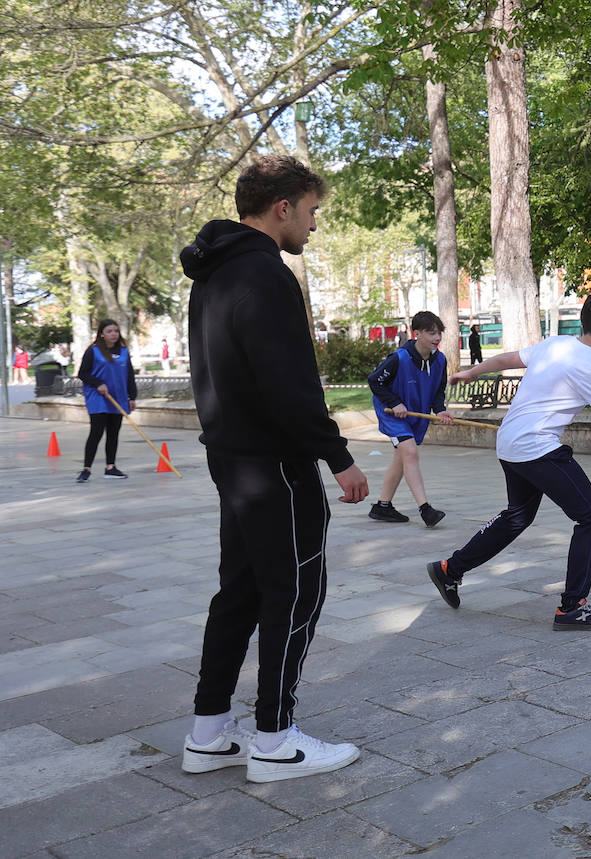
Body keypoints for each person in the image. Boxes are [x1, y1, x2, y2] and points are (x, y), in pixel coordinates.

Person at [179, 155, 369, 783]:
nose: (314, 226)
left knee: (241, 589)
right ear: (282, 208)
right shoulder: (265, 273)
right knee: (294, 592)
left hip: (230, 460)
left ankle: (209, 733)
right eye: (312, 212)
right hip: (275, 465)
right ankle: (275, 740)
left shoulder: (210, 275)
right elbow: (289, 384)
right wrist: (338, 457)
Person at [426, 290, 591, 630]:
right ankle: (572, 608)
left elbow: (508, 359)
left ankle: (451, 569)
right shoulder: (587, 367)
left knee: (517, 517)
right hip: (536, 446)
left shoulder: (557, 344)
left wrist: (473, 372)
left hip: (510, 442)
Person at [367, 310, 453, 527]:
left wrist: (440, 410)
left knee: (403, 457)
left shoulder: (440, 360)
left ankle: (382, 506)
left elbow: (438, 390)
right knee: (411, 452)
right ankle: (426, 509)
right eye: (431, 333)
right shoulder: (399, 358)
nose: (437, 338)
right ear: (417, 333)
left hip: (414, 413)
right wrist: (394, 403)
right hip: (391, 412)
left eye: (439, 333)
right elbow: (375, 381)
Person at [76, 320, 137, 482]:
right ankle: (86, 469)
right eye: (109, 331)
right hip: (99, 397)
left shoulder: (123, 352)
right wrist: (98, 383)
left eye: (116, 331)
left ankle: (110, 467)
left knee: (113, 433)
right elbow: (83, 373)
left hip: (119, 397)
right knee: (96, 432)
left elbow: (130, 376)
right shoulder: (93, 351)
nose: (113, 334)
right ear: (102, 333)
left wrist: (132, 397)